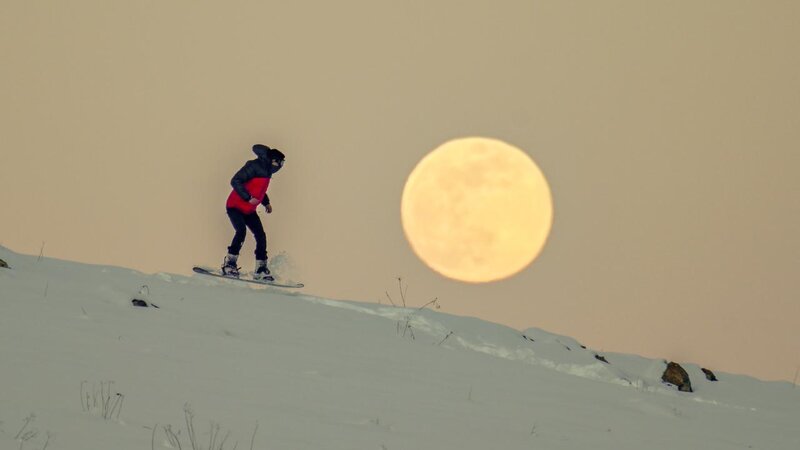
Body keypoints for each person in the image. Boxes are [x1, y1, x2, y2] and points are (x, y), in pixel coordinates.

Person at [221, 144, 285, 280]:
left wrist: (266, 202)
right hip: (235, 206)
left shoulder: (267, 171)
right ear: (271, 160)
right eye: (279, 162)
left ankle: (261, 268)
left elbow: (259, 189)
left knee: (261, 235)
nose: (280, 166)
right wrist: (248, 198)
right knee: (241, 231)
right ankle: (229, 264)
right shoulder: (254, 166)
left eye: (282, 163)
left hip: (249, 210)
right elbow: (235, 180)